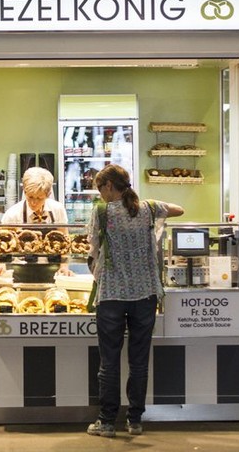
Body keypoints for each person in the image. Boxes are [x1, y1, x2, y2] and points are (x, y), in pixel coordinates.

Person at [85, 164, 184, 438]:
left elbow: (92, 247)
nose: (100, 194)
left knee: (109, 362)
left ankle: (106, 422)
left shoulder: (103, 211)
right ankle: (135, 420)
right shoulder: (149, 208)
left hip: (112, 296)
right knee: (139, 361)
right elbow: (178, 210)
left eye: (100, 189)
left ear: (108, 187)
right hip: (145, 294)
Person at [0, 166, 73, 277]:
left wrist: (64, 267)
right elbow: (3, 248)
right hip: (21, 272)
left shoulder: (57, 210)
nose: (33, 202)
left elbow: (65, 242)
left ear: (48, 195)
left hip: (54, 272)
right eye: (30, 197)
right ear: (24, 191)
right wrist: (1, 266)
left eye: (39, 198)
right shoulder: (12, 215)